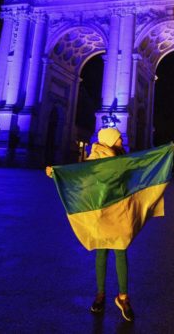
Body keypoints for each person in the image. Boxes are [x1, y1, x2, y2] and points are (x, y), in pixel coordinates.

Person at [45, 127, 134, 321]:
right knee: (102, 253)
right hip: (100, 211)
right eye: (118, 138)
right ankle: (100, 294)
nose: (121, 141)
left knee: (121, 252)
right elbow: (78, 176)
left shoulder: (121, 158)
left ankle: (123, 297)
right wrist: (57, 174)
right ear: (110, 140)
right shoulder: (94, 159)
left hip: (118, 210)